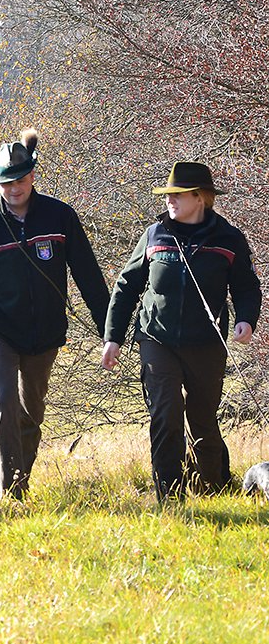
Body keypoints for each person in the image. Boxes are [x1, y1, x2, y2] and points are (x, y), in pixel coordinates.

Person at [0, 130, 110, 499]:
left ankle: (21, 478)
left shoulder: (60, 217)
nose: (13, 188)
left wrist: (110, 331)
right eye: (6, 182)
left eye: (19, 180)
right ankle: (10, 492)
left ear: (32, 177)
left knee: (30, 411)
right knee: (3, 402)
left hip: (46, 333)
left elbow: (89, 277)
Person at [101, 161, 261, 500]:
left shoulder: (229, 239)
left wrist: (246, 319)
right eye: (167, 195)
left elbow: (248, 288)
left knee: (202, 419)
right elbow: (126, 287)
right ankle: (170, 496)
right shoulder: (154, 235)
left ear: (200, 198)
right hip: (156, 338)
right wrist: (113, 337)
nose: (169, 201)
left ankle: (214, 488)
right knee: (165, 414)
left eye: (177, 195)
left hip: (207, 343)